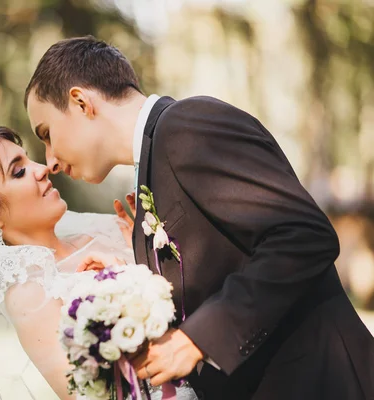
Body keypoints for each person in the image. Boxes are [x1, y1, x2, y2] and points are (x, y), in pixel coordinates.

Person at [25, 36, 374, 399]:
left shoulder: (187, 126)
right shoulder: (153, 165)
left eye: (47, 134)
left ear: (81, 102)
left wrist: (197, 340)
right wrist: (137, 283)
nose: (49, 160)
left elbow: (303, 235)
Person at [0, 125, 163, 399]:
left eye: (28, 159)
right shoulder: (30, 295)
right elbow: (90, 394)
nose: (42, 168)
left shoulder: (109, 229)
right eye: (19, 171)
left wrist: (148, 253)